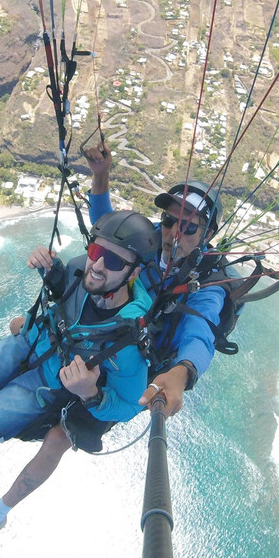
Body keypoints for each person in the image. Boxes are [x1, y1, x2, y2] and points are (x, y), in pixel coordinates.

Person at [0, 210, 160, 548]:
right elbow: (66, 297)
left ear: (135, 273)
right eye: (95, 251)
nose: (98, 265)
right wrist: (51, 271)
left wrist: (91, 395)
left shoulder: (128, 341)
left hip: (42, 386)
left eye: (114, 261)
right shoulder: (77, 268)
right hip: (29, 344)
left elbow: (130, 406)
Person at [85, 139, 227, 418]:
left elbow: (200, 331)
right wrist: (100, 175)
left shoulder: (208, 283)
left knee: (60, 437)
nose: (173, 232)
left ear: (207, 236)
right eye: (168, 220)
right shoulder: (148, 238)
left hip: (139, 364)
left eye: (187, 227)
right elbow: (107, 227)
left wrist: (182, 372)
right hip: (108, 338)